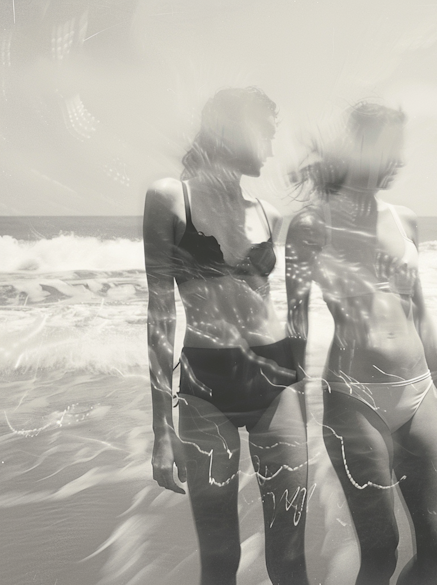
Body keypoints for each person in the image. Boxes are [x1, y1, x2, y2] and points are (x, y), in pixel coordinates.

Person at [285, 102, 437, 585]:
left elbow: (422, 315)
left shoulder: (404, 220)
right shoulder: (310, 226)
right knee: (380, 551)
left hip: (419, 394)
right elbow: (296, 327)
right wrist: (291, 414)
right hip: (354, 397)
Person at [143, 87, 309, 585]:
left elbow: (282, 313)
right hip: (205, 385)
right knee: (219, 559)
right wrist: (159, 431)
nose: (273, 150)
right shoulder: (170, 197)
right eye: (268, 135)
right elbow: (160, 314)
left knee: (290, 558)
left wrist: (305, 395)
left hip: (275, 380)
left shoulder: (269, 214)